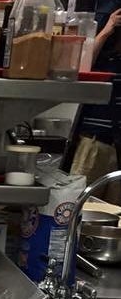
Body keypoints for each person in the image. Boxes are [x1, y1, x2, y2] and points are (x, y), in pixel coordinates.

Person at [69, 2, 121, 200]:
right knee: (80, 205)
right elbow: (81, 68)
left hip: (117, 144)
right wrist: (106, 30)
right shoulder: (102, 58)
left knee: (114, 217)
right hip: (92, 143)